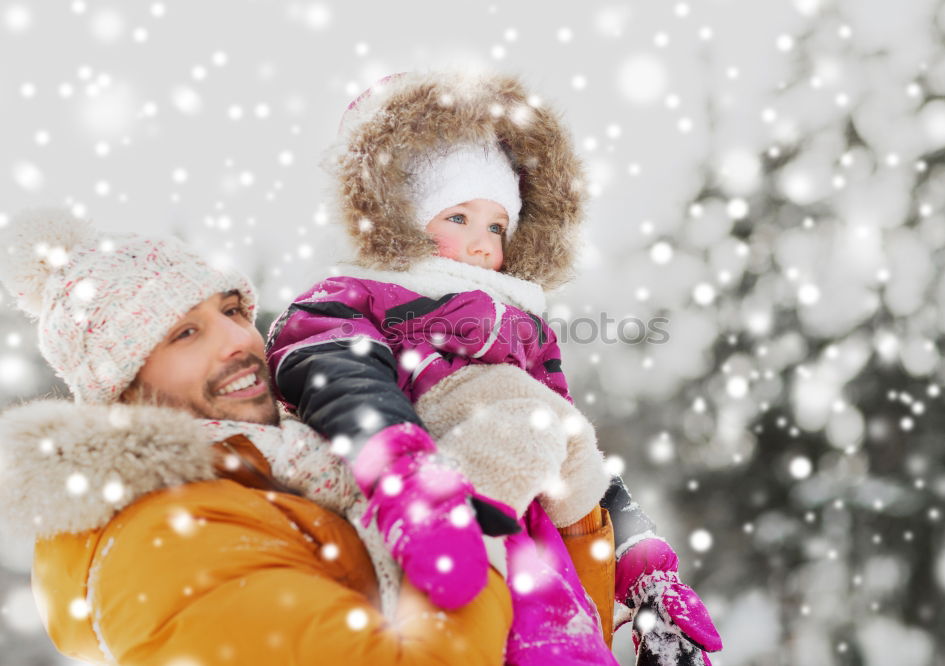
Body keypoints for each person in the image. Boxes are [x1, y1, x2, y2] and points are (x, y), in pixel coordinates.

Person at [0, 208, 619, 665]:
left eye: (233, 311)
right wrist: (480, 510)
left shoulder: (304, 468)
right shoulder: (165, 541)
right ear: (123, 389)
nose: (238, 341)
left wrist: (573, 522)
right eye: (183, 334)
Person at [265, 70, 721, 664]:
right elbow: (334, 374)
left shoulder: (520, 325)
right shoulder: (360, 293)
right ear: (398, 216)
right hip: (424, 511)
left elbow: (574, 451)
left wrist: (643, 566)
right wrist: (408, 478)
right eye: (457, 218)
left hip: (540, 548)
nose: (482, 244)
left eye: (497, 226)